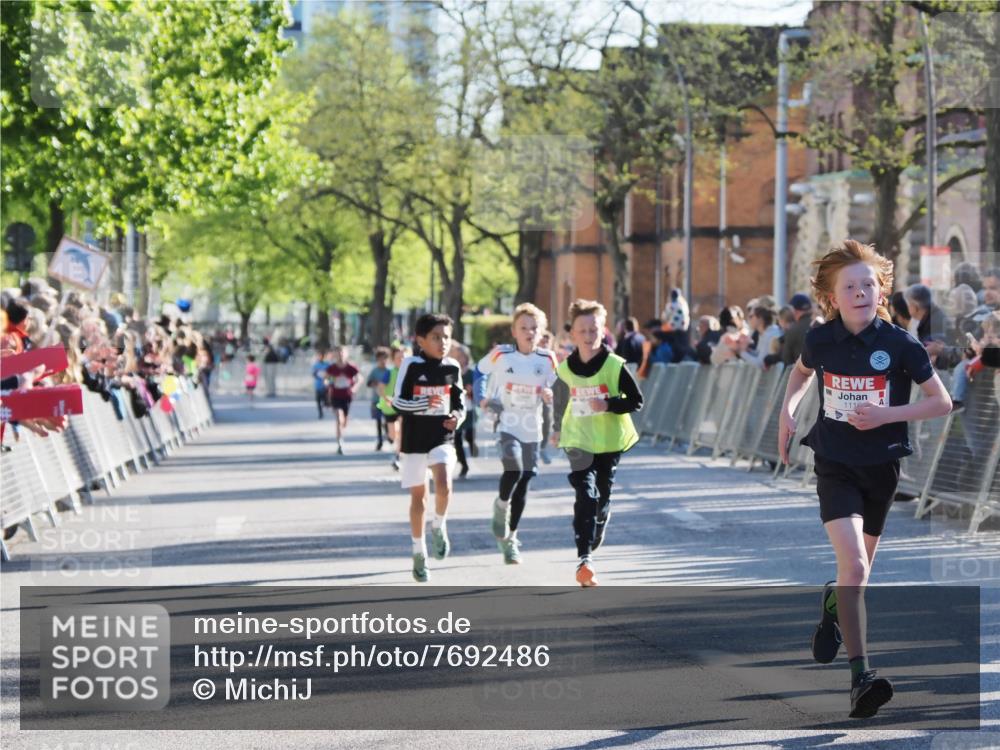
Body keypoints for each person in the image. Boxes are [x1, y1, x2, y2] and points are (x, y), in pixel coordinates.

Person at [777, 239, 951, 719]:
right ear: (833, 296)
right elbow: (800, 374)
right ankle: (861, 678)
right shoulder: (821, 339)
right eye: (849, 285)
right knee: (853, 565)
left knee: (857, 577)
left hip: (882, 467)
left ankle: (833, 604)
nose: (860, 291)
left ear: (880, 291)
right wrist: (787, 414)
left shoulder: (900, 344)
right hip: (834, 463)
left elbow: (940, 403)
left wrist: (887, 414)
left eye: (868, 284)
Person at [551, 299, 643, 587]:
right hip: (578, 440)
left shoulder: (615, 366)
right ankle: (584, 559)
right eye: (583, 330)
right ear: (572, 334)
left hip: (608, 441)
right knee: (585, 494)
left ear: (602, 331)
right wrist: (554, 429)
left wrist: (608, 404)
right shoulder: (565, 369)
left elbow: (636, 401)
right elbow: (559, 402)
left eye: (594, 329)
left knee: (601, 496)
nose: (589, 335)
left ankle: (601, 518)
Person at [474, 303, 558, 565]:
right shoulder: (502, 354)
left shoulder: (547, 360)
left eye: (534, 328)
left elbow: (554, 389)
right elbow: (479, 373)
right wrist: (483, 399)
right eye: (524, 328)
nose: (529, 332)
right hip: (507, 422)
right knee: (514, 469)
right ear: (514, 331)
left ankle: (511, 539)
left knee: (525, 481)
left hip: (532, 427)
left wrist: (549, 395)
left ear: (541, 331)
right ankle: (500, 505)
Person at [391, 314, 465, 583]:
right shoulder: (411, 365)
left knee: (444, 484)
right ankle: (418, 552)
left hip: (441, 436)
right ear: (421, 340)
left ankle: (439, 524)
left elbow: (460, 402)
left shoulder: (453, 366)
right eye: (436, 337)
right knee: (419, 498)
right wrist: (424, 403)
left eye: (446, 336)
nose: (442, 342)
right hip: (413, 441)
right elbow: (398, 403)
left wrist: (458, 417)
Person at [377, 345, 409, 471]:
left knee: (401, 431)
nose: (401, 360)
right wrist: (386, 399)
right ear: (393, 360)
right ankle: (393, 442)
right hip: (389, 407)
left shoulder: (410, 372)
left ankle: (397, 456)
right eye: (398, 358)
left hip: (404, 407)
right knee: (393, 434)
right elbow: (380, 388)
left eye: (403, 358)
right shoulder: (389, 372)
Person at [326, 346, 360, 455]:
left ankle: (341, 432)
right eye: (338, 353)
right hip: (335, 395)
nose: (340, 355)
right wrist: (329, 382)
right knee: (339, 417)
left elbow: (360, 378)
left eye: (342, 353)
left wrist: (355, 387)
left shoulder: (351, 367)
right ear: (335, 355)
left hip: (347, 396)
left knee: (344, 422)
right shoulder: (332, 368)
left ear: (346, 354)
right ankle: (340, 443)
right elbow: (326, 379)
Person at [780, 293, 816, 366]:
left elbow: (786, 359)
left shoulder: (792, 330)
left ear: (795, 310)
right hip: (820, 374)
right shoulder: (820, 325)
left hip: (801, 374)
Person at [367, 347, 391, 450]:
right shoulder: (374, 371)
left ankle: (389, 434)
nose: (383, 361)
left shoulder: (390, 371)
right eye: (381, 358)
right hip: (376, 400)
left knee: (387, 421)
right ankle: (380, 441)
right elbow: (368, 383)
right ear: (377, 359)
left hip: (387, 400)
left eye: (385, 358)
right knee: (378, 421)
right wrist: (376, 383)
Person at [311, 349, 329, 419]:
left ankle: (326, 404)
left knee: (325, 400)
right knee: (318, 401)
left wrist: (326, 377)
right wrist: (317, 374)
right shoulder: (316, 365)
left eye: (322, 356)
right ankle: (320, 413)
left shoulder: (327, 364)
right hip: (318, 385)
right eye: (319, 356)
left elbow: (330, 374)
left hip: (325, 385)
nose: (320, 357)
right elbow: (313, 374)